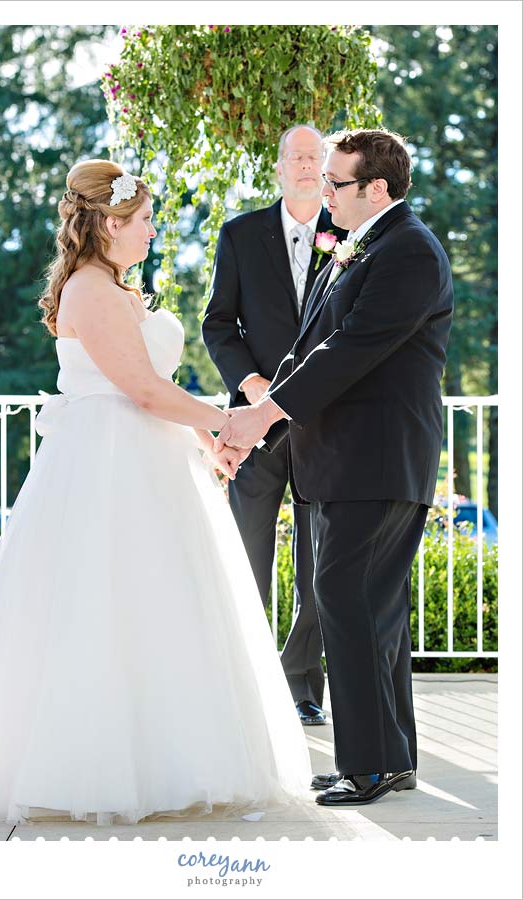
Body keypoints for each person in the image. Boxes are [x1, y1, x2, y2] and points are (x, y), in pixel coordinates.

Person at [0, 159, 312, 826]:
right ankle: (100, 768)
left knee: (160, 599)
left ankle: (173, 758)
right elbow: (140, 389)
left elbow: (147, 390)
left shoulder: (114, 285)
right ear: (111, 222)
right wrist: (226, 421)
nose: (152, 231)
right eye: (144, 220)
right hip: (105, 462)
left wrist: (209, 444)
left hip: (146, 452)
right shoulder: (88, 289)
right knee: (105, 600)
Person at [215, 129, 453, 806]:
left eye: (337, 183)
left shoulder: (408, 250)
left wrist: (259, 416)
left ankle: (370, 765)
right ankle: (389, 757)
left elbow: (351, 351)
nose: (324, 193)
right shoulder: (357, 246)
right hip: (343, 461)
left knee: (347, 603)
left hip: (376, 460)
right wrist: (253, 433)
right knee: (369, 609)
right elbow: (305, 348)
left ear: (377, 188)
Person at [202, 125, 347, 726]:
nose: (308, 165)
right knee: (248, 552)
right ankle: (246, 684)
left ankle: (300, 685)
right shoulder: (239, 235)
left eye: (318, 157)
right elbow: (218, 324)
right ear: (280, 167)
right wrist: (254, 387)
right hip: (255, 424)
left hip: (325, 423)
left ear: (327, 168)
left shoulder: (350, 237)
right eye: (298, 156)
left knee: (319, 563)